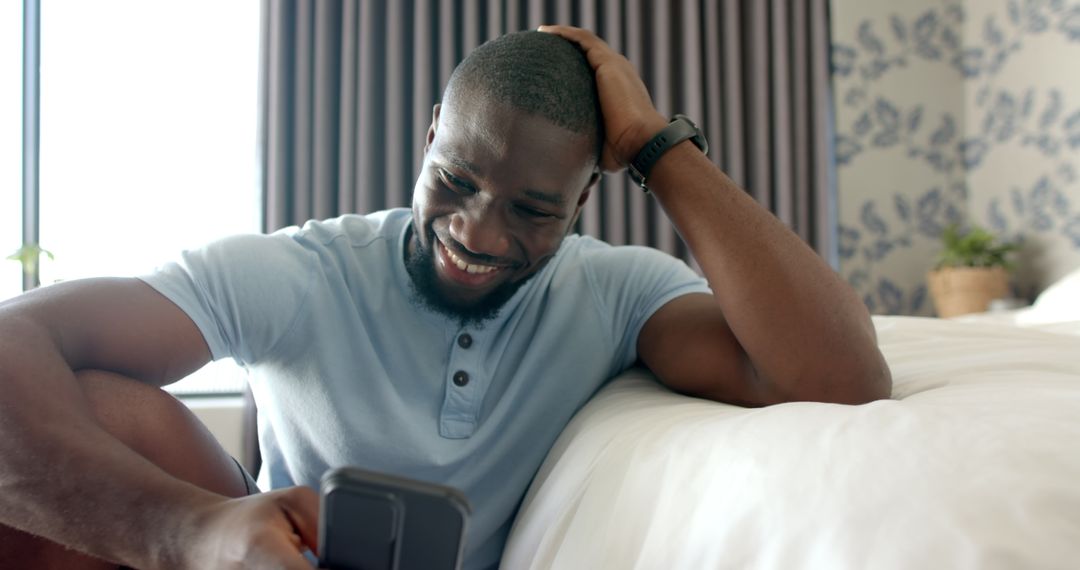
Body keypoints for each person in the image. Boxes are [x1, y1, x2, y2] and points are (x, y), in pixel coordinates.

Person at [0, 26, 891, 569]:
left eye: (533, 211)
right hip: (271, 554)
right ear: (428, 137)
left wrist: (660, 147)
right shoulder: (303, 271)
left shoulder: (617, 292)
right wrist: (191, 535)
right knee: (97, 408)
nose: (480, 233)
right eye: (456, 180)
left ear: (584, 201)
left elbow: (840, 375)